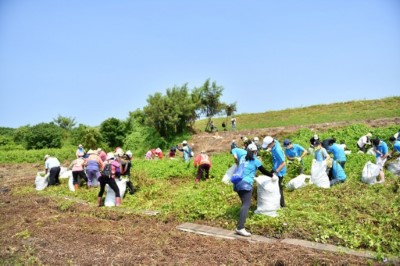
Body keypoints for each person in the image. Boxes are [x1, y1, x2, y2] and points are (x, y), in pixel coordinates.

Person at [233, 143, 274, 237]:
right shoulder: (255, 160)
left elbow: (245, 167)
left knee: (244, 203)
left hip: (237, 183)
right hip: (245, 184)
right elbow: (263, 171)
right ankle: (240, 228)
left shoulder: (243, 158)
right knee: (246, 204)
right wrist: (273, 175)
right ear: (255, 152)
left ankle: (240, 223)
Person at [262, 136, 287, 208]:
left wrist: (275, 172)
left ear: (271, 143)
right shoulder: (275, 142)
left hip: (279, 171)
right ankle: (273, 201)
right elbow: (273, 143)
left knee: (279, 188)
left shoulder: (278, 151)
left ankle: (282, 205)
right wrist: (268, 149)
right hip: (275, 166)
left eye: (268, 146)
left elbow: (283, 163)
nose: (267, 147)